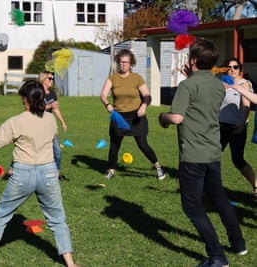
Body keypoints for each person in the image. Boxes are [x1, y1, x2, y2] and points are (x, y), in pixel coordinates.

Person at [0, 80, 79, 267]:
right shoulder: (51, 119)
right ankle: (70, 263)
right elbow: (51, 138)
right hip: (49, 173)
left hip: (23, 174)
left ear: (25, 99)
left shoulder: (16, 121)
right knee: (58, 219)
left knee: (1, 215)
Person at [159, 38, 247, 267]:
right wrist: (193, 76)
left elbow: (177, 117)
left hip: (193, 154)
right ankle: (239, 244)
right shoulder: (218, 85)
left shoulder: (188, 85)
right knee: (219, 199)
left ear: (193, 60)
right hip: (212, 151)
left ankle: (217, 256)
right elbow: (202, 94)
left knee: (192, 207)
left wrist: (162, 118)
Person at [100, 49, 165, 180]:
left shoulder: (137, 78)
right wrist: (107, 104)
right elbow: (103, 95)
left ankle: (158, 167)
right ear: (118, 62)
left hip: (136, 116)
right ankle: (111, 171)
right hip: (118, 116)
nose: (123, 65)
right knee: (114, 145)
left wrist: (144, 106)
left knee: (142, 144)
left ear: (131, 63)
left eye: (126, 62)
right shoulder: (112, 78)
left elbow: (147, 95)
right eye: (121, 62)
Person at [219, 57, 257, 197]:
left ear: (240, 69)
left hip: (236, 128)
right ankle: (212, 187)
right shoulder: (221, 83)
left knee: (237, 159)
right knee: (213, 156)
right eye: (229, 67)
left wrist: (241, 124)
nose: (232, 70)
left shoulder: (243, 83)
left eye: (235, 67)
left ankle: (255, 185)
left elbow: (246, 105)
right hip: (220, 126)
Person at [40, 71, 68, 180]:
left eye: (52, 79)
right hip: (38, 126)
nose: (52, 81)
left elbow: (55, 109)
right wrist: (49, 105)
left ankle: (57, 174)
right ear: (43, 80)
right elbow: (36, 108)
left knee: (57, 150)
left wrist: (62, 122)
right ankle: (14, 169)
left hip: (50, 126)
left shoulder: (52, 93)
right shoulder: (37, 93)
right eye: (50, 79)